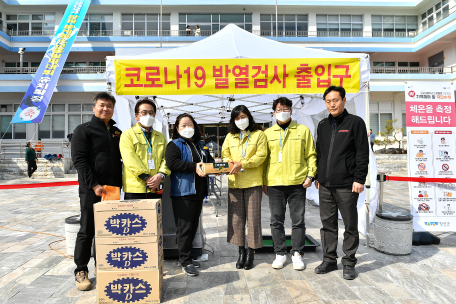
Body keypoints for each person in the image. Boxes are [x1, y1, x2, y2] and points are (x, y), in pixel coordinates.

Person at [314, 86, 369, 280]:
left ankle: (349, 262)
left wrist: (359, 179)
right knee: (327, 224)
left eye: (335, 100)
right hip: (326, 185)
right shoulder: (322, 125)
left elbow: (362, 153)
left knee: (350, 225)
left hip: (347, 184)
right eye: (328, 101)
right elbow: (319, 154)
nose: (332, 104)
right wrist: (317, 176)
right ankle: (329, 260)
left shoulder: (355, 123)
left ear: (344, 100)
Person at [71, 92, 123, 291]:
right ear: (94, 107)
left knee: (110, 229)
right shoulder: (83, 130)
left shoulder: (117, 132)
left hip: (113, 190)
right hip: (92, 189)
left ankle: (104, 266)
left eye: (109, 106)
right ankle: (81, 270)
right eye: (102, 105)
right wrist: (94, 184)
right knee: (87, 229)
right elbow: (80, 161)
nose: (105, 109)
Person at [263, 97, 317, 271]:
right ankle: (280, 253)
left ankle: (297, 254)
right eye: (279, 109)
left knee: (298, 221)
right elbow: (264, 160)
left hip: (297, 183)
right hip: (275, 183)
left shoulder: (302, 130)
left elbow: (311, 155)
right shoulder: (267, 134)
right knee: (276, 221)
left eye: (286, 108)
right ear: (274, 113)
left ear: (291, 111)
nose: (282, 111)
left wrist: (311, 175)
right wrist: (264, 181)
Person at [165, 113, 214, 276]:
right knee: (184, 228)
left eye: (190, 124)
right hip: (183, 193)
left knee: (193, 226)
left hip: (198, 192)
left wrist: (219, 168)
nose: (187, 128)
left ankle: (188, 256)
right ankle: (185, 261)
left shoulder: (201, 145)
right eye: (183, 125)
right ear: (177, 129)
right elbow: (172, 163)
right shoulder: (174, 145)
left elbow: (210, 162)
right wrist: (194, 166)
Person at [222, 105, 267, 270]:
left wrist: (243, 163)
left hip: (253, 182)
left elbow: (261, 156)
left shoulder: (259, 134)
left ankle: (251, 252)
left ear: (249, 116)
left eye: (243, 116)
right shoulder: (230, 136)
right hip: (235, 182)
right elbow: (225, 154)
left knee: (253, 219)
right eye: (237, 118)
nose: (241, 120)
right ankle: (241, 251)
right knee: (236, 219)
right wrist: (230, 163)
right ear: (234, 120)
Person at [120, 98, 170, 200]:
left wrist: (160, 175)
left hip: (155, 187)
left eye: (151, 113)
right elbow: (129, 159)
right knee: (135, 216)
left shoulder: (160, 136)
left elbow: (166, 158)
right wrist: (147, 178)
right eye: (144, 112)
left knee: (155, 216)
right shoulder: (127, 134)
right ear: (136, 116)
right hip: (135, 188)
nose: (148, 115)